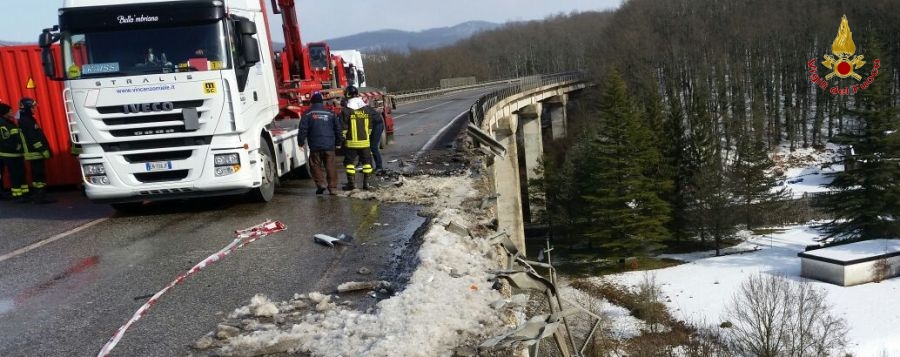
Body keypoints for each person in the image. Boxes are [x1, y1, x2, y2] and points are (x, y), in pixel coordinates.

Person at [340, 86, 383, 190]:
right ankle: (366, 184)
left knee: (349, 163)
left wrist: (343, 139)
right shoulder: (366, 109)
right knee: (367, 164)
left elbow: (344, 127)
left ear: (348, 95)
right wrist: (366, 137)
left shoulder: (346, 110)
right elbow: (369, 126)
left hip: (351, 143)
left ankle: (351, 184)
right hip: (364, 142)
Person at [298, 92, 342, 195]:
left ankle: (321, 184)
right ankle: (333, 188)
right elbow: (338, 129)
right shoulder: (331, 113)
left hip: (315, 146)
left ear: (311, 102)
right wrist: (339, 142)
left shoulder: (308, 114)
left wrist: (300, 142)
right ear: (322, 102)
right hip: (329, 145)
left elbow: (303, 129)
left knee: (315, 165)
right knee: (330, 166)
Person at [17, 98, 55, 204]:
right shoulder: (26, 120)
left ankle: (39, 196)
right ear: (28, 108)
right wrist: (42, 149)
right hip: (35, 152)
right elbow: (33, 137)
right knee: (39, 174)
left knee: (37, 174)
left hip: (34, 152)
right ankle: (40, 197)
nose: (34, 109)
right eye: (32, 107)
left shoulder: (26, 118)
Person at [0, 100, 26, 202]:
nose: (12, 112)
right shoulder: (3, 124)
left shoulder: (9, 122)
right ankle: (17, 195)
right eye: (10, 111)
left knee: (20, 173)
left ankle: (24, 193)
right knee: (15, 174)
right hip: (10, 154)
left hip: (16, 154)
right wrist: (17, 146)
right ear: (5, 113)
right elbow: (6, 139)